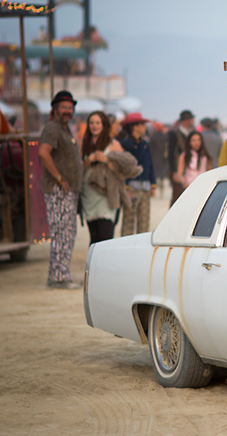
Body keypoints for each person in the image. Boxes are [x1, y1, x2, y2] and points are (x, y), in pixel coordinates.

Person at [38, 91, 84, 289]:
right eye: (63, 107)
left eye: (70, 107)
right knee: (61, 233)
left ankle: (60, 273)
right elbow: (43, 153)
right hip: (58, 191)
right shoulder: (52, 128)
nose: (67, 111)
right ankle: (58, 277)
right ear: (55, 109)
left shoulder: (64, 129)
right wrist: (59, 178)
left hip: (67, 191)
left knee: (68, 232)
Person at [79, 111, 124, 244]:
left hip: (106, 195)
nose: (94, 126)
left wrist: (106, 160)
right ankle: (92, 265)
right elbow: (80, 169)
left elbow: (122, 169)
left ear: (104, 125)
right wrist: (89, 160)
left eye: (97, 123)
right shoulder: (85, 144)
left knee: (106, 237)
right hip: (89, 195)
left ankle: (105, 264)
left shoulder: (113, 144)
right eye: (91, 123)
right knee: (93, 238)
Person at [119, 112, 157, 236]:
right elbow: (122, 167)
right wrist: (125, 186)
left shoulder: (144, 144)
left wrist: (153, 183)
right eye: (142, 125)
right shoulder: (125, 144)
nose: (144, 127)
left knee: (144, 223)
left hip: (145, 187)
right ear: (135, 126)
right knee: (128, 222)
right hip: (131, 187)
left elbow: (150, 164)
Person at [166, 109, 195, 206]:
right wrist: (174, 171)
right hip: (177, 169)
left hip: (189, 170)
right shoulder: (174, 134)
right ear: (186, 120)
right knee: (177, 196)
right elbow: (170, 154)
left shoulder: (192, 133)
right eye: (191, 119)